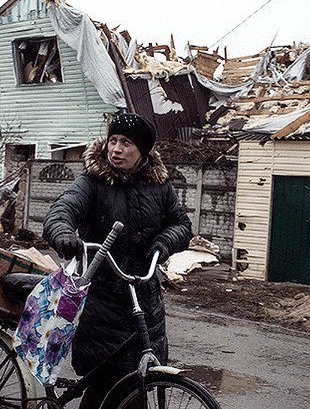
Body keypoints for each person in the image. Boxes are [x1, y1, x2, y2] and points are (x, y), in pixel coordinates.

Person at [43, 113, 192, 408]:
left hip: (143, 293)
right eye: (113, 140)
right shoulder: (93, 181)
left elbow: (181, 224)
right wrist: (63, 234)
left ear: (144, 150)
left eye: (126, 143)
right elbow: (62, 210)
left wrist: (163, 243)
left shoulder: (159, 186)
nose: (116, 149)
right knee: (107, 379)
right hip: (103, 296)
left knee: (135, 380)